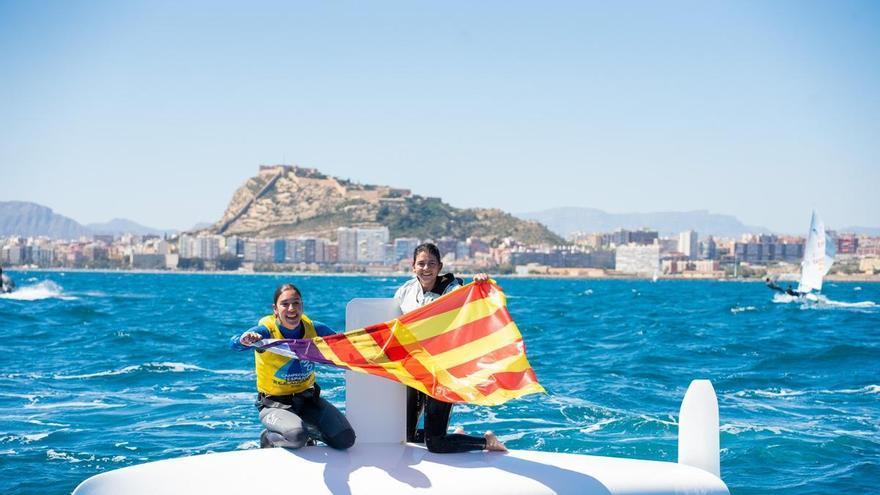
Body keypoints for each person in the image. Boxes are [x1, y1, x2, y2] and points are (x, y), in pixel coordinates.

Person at [394, 242, 507, 453]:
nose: (426, 268)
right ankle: (454, 436)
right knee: (404, 434)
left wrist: (480, 283)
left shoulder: (452, 290)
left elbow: (474, 302)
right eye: (421, 263)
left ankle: (487, 442)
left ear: (439, 267)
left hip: (442, 372)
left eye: (431, 264)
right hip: (415, 370)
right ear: (413, 266)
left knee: (435, 444)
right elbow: (392, 326)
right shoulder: (405, 291)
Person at [231, 283, 355, 450]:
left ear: (302, 306)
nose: (291, 309)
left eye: (296, 303)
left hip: (308, 401)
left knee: (345, 439)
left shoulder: (315, 329)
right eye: (285, 304)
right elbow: (235, 344)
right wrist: (244, 339)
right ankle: (269, 437)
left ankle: (307, 429)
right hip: (274, 405)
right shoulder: (266, 331)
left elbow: (344, 344)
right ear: (275, 309)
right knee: (297, 437)